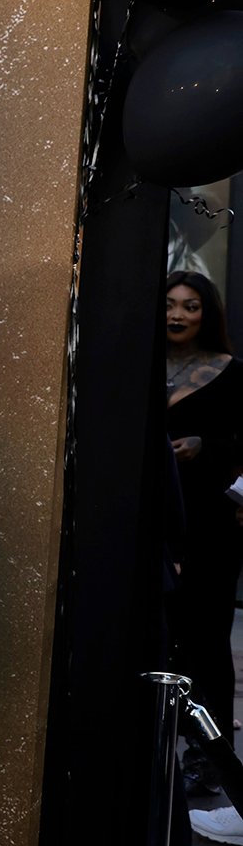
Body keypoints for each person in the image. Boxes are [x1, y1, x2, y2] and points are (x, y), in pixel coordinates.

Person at [163, 271, 243, 803]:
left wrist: (204, 446)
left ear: (206, 313)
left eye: (190, 306)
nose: (177, 314)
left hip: (210, 525)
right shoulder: (138, 365)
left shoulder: (233, 373)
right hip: (150, 521)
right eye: (169, 304)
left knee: (207, 641)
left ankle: (210, 758)